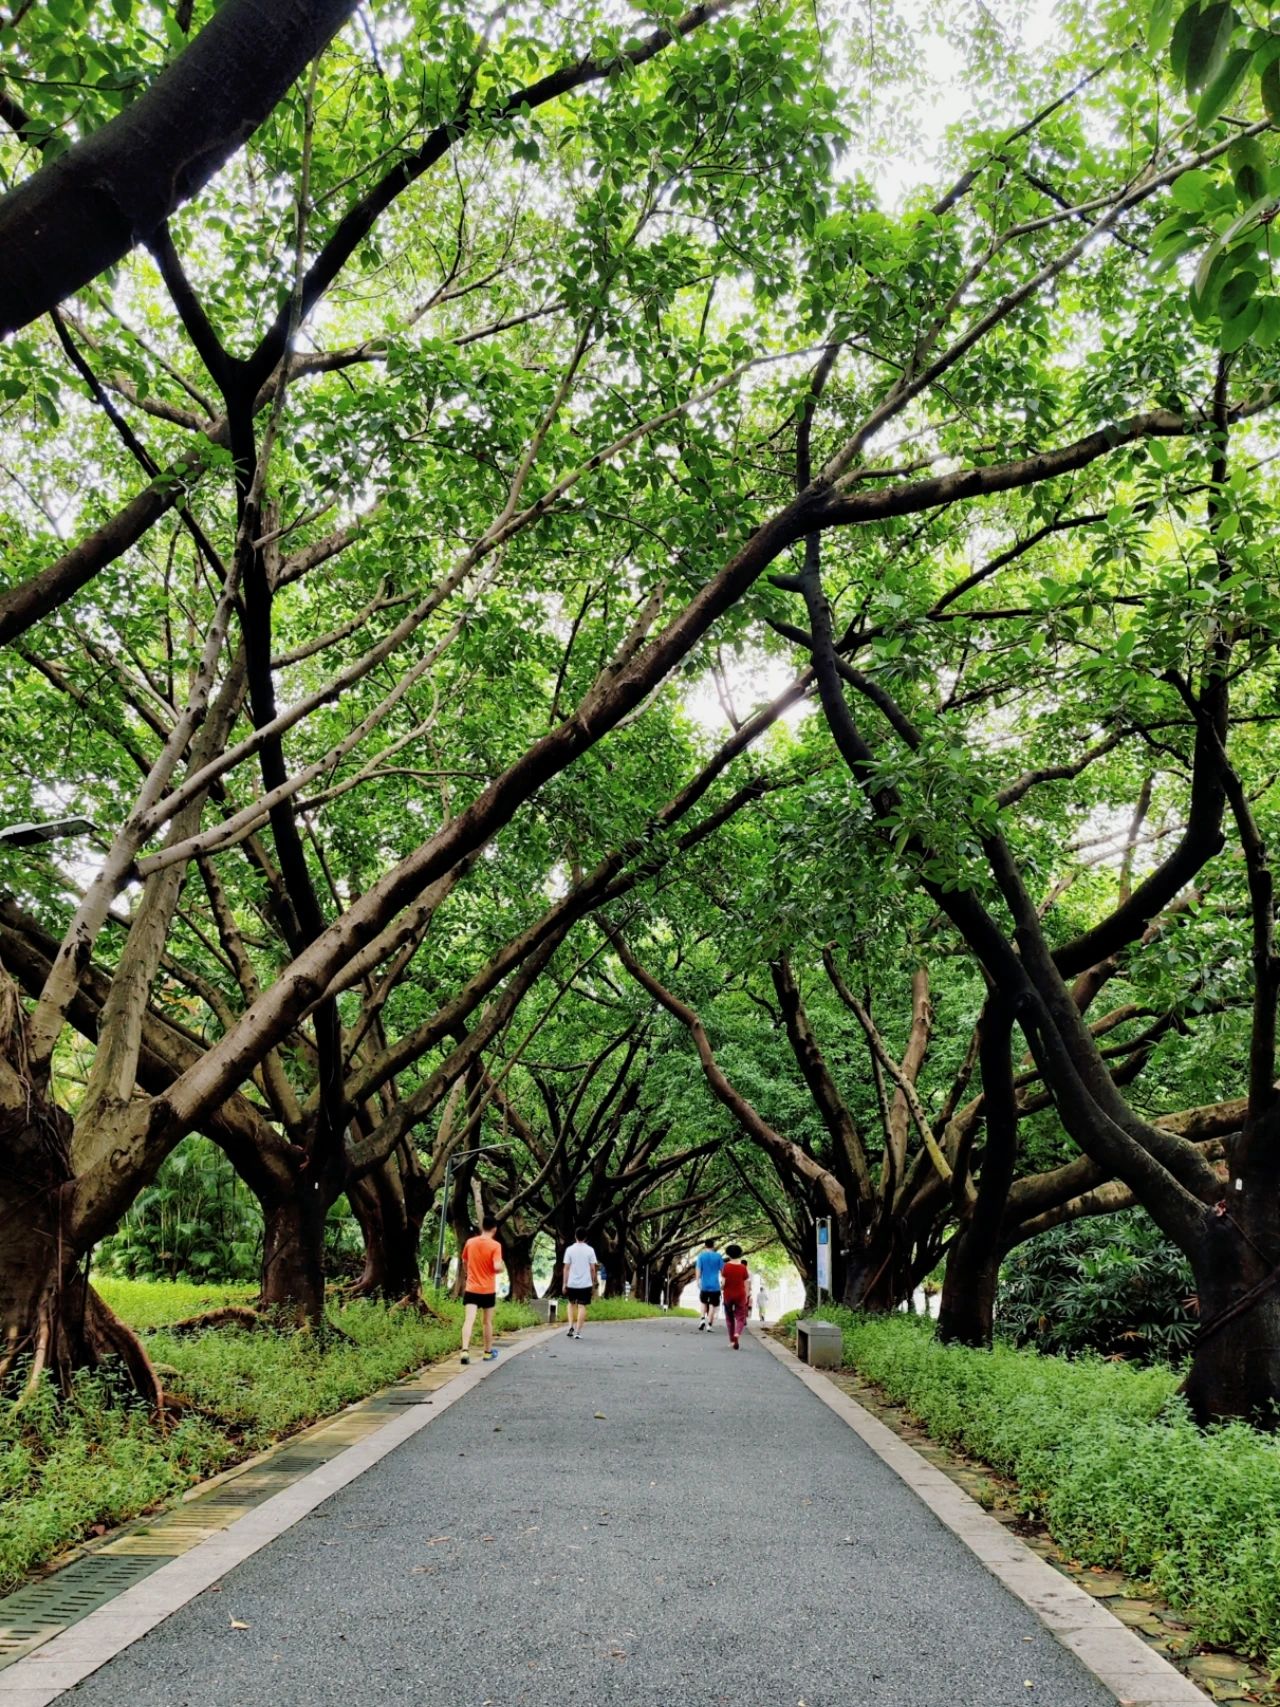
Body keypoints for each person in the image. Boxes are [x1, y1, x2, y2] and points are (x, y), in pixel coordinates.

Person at [459, 1215, 504, 1365]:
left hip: (471, 1288)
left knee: (469, 1320)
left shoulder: (470, 1242)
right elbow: (497, 1267)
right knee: (487, 1322)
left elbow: (464, 1261)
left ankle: (465, 1350)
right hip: (487, 1290)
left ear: (481, 1226)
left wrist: (468, 1273)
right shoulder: (495, 1246)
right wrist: (501, 1266)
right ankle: (487, 1352)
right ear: (495, 1229)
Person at [562, 1228, 598, 1341]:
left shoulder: (569, 1250)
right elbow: (593, 1268)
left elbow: (566, 1268)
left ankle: (570, 1327)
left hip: (571, 1283)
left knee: (570, 1304)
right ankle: (578, 1332)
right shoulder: (590, 1250)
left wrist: (564, 1283)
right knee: (582, 1306)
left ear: (575, 1236)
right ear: (585, 1237)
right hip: (585, 1284)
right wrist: (592, 1282)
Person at [721, 1244, 750, 1349]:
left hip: (728, 1295)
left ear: (728, 1254)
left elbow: (723, 1283)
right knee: (740, 1318)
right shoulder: (743, 1268)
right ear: (740, 1254)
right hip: (740, 1295)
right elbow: (746, 1283)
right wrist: (746, 1295)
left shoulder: (726, 1266)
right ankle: (737, 1333)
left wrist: (721, 1287)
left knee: (729, 1318)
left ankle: (732, 1341)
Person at [695, 1238, 725, 1333]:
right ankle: (709, 1325)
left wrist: (697, 1281)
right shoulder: (718, 1256)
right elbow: (723, 1271)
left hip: (704, 1284)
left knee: (703, 1303)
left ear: (705, 1246)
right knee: (712, 1305)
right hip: (715, 1285)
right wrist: (723, 1283)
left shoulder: (701, 1256)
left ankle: (702, 1320)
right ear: (713, 1245)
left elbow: (698, 1270)